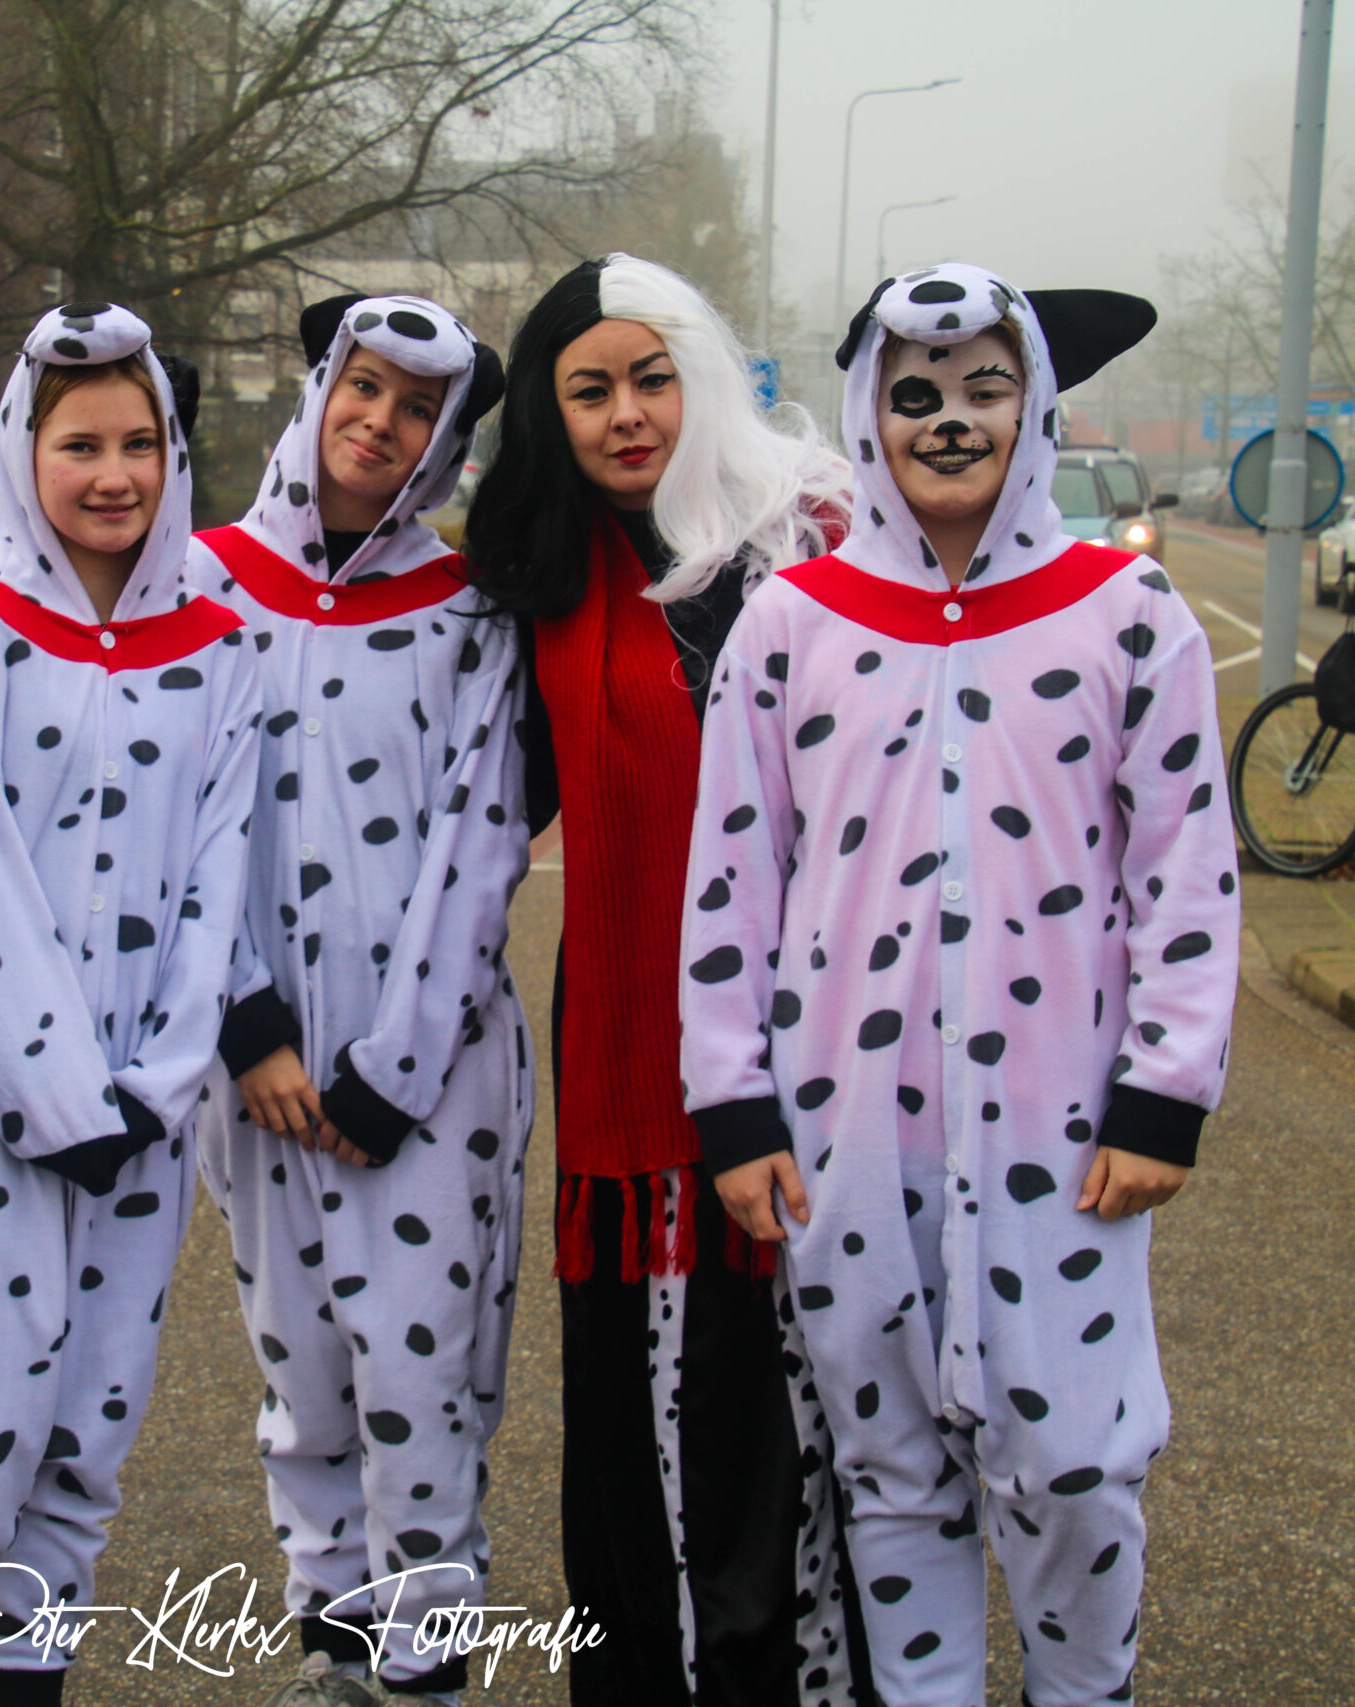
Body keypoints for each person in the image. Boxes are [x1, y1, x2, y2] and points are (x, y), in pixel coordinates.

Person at [681, 263, 1239, 1707]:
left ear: (1033, 403)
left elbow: (1186, 866)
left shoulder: (1127, 610)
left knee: (1075, 1466)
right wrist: (732, 1104)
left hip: (1066, 1136)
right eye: (915, 392)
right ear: (868, 413)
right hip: (848, 1134)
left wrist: (1166, 1090)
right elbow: (732, 876)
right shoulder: (792, 620)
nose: (949, 421)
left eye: (985, 388)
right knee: (890, 1472)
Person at [459, 253, 864, 1707]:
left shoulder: (811, 542)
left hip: (813, 1053)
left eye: (651, 378)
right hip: (634, 1066)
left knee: (807, 1425)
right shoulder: (547, 576)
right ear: (547, 411)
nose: (626, 414)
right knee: (652, 1428)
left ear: (703, 377)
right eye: (589, 390)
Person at [0, 304, 262, 1707]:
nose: (113, 474)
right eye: (79, 444)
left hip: (143, 1126)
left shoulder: (222, 649)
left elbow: (221, 874)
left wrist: (160, 1077)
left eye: (139, 443)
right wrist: (52, 1087)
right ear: (21, 452)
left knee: (88, 1433)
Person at [185, 294, 519, 1707]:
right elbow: (178, 817)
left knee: (420, 1373)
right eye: (362, 387)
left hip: (428, 1073)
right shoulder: (201, 583)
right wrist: (248, 1024)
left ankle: (425, 1662)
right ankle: (332, 1654)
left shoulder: (470, 610)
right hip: (257, 1067)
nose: (379, 422)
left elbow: (483, 836)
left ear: (444, 439)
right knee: (305, 1373)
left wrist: (399, 1062)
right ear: (321, 388)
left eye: (416, 406)